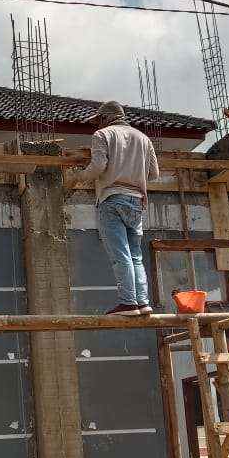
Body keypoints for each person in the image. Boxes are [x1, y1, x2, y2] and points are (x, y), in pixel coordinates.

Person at [66, 100, 158, 316]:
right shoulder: (144, 139)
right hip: (136, 201)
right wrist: (132, 171)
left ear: (105, 118)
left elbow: (98, 166)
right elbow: (153, 174)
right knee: (136, 255)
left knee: (121, 254)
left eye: (99, 120)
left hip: (112, 198)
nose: (97, 125)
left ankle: (128, 303)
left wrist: (75, 179)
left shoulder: (102, 135)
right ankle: (143, 302)